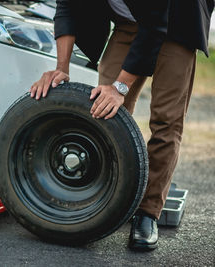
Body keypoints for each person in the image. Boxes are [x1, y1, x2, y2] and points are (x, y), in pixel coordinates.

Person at [29, 0, 214, 251]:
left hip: (178, 22)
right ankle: (107, 199)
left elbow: (156, 24)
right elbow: (67, 8)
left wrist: (121, 88)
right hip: (130, 24)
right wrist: (61, 68)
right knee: (105, 114)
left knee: (165, 122)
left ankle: (147, 213)